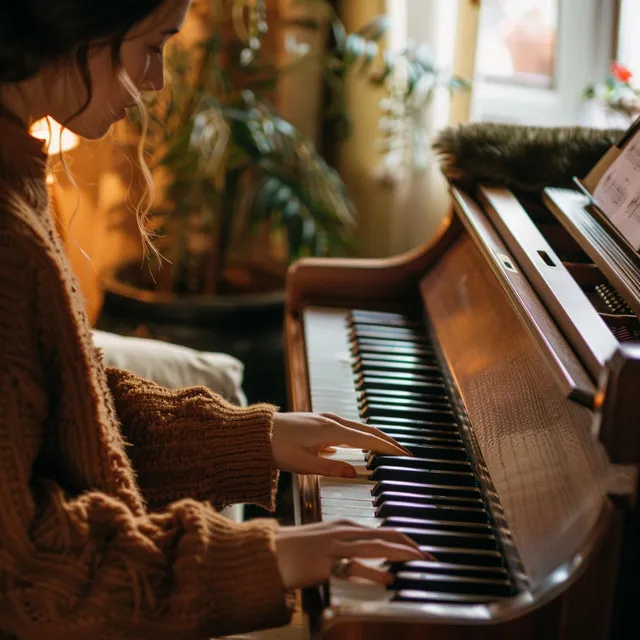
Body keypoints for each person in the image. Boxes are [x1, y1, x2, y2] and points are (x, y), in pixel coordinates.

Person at [0, 1, 428, 638]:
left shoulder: (19, 172)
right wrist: (268, 556)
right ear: (74, 28)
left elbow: (68, 411)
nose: (156, 81)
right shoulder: (9, 241)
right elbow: (27, 575)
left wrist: (252, 437)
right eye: (150, 46)